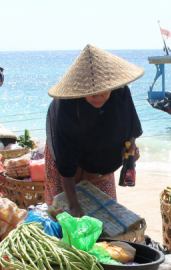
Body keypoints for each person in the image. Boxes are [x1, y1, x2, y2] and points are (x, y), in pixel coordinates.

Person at [45, 45, 144, 217]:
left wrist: (131, 147)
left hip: (101, 162)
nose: (98, 97)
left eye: (103, 91)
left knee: (104, 215)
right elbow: (66, 164)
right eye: (92, 92)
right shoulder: (66, 106)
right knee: (65, 215)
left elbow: (131, 126)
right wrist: (74, 205)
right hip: (67, 164)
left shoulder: (120, 93)